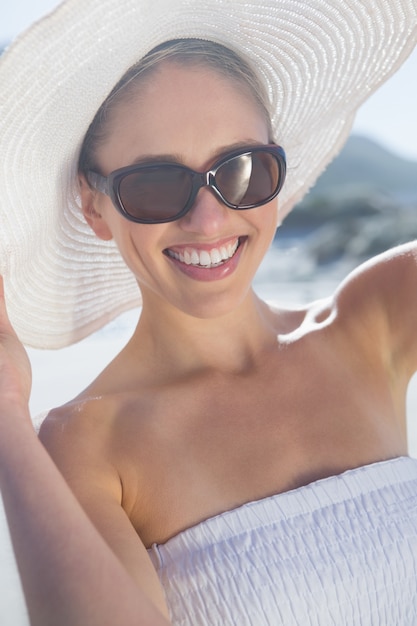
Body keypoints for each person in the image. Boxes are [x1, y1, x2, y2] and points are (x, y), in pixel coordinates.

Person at [0, 0, 417, 624]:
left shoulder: (377, 316)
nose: (209, 219)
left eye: (242, 170)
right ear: (94, 206)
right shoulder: (87, 444)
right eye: (156, 185)